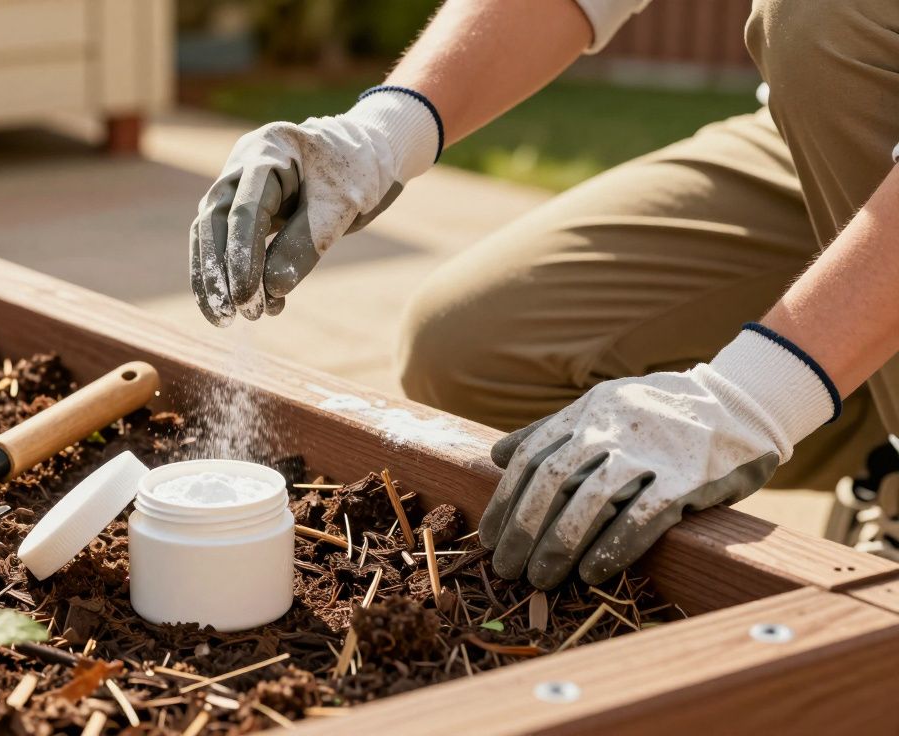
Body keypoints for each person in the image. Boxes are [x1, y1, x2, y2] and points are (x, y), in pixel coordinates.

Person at [188, 0, 899, 589]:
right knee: (468, 346)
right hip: (830, 134)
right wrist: (375, 136)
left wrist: (750, 400)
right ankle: (878, 417)